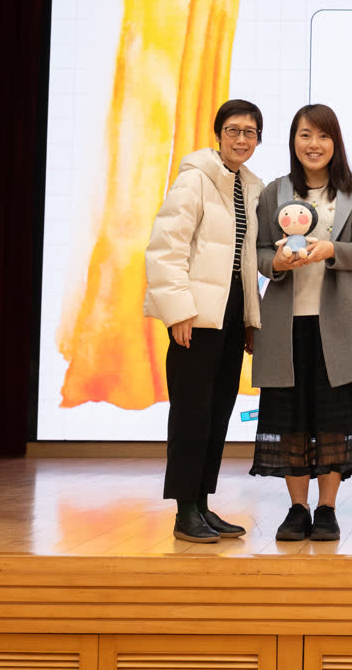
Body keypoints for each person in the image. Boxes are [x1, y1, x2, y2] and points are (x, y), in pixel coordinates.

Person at [251, 103, 352, 542]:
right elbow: (259, 252)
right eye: (305, 135)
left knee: (333, 420)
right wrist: (276, 263)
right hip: (285, 325)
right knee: (289, 419)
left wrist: (331, 251)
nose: (314, 144)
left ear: (335, 142)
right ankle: (296, 508)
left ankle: (326, 508)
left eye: (323, 136)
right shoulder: (275, 191)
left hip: (337, 326)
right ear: (293, 141)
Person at [144, 99, 265, 543]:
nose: (241, 139)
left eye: (250, 132)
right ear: (219, 134)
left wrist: (250, 320)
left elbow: (246, 262)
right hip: (195, 315)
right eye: (233, 130)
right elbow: (166, 248)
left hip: (231, 314)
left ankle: (202, 505)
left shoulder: (251, 187)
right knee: (191, 415)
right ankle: (184, 512)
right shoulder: (194, 178)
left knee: (217, 413)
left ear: (258, 140)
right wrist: (178, 310)